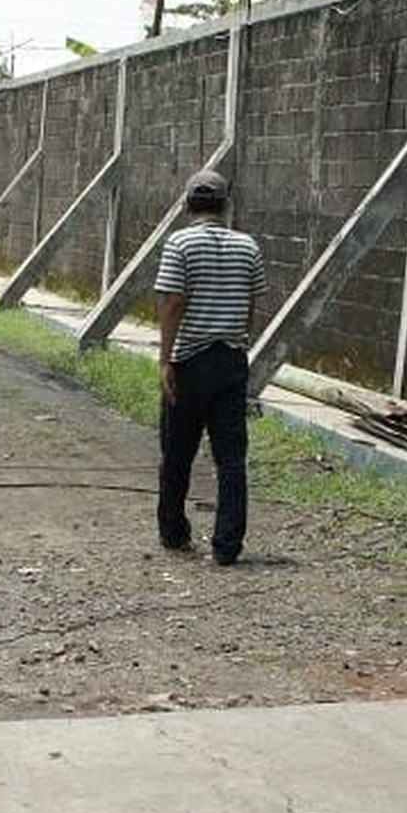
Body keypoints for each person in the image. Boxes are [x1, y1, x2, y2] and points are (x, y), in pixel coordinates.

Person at [154, 168, 267, 566]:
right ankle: (227, 546)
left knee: (177, 452)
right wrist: (239, 342)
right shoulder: (248, 246)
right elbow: (252, 305)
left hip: (189, 361)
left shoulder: (179, 243)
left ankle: (174, 532)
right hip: (231, 361)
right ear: (225, 205)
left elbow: (171, 303)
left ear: (187, 204)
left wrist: (165, 359)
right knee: (231, 459)